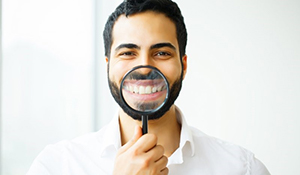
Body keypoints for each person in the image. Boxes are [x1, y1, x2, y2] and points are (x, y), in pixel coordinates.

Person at [27, 0, 270, 174]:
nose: (144, 67)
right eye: (128, 52)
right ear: (108, 66)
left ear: (183, 66)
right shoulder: (56, 166)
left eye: (161, 53)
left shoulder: (242, 168)